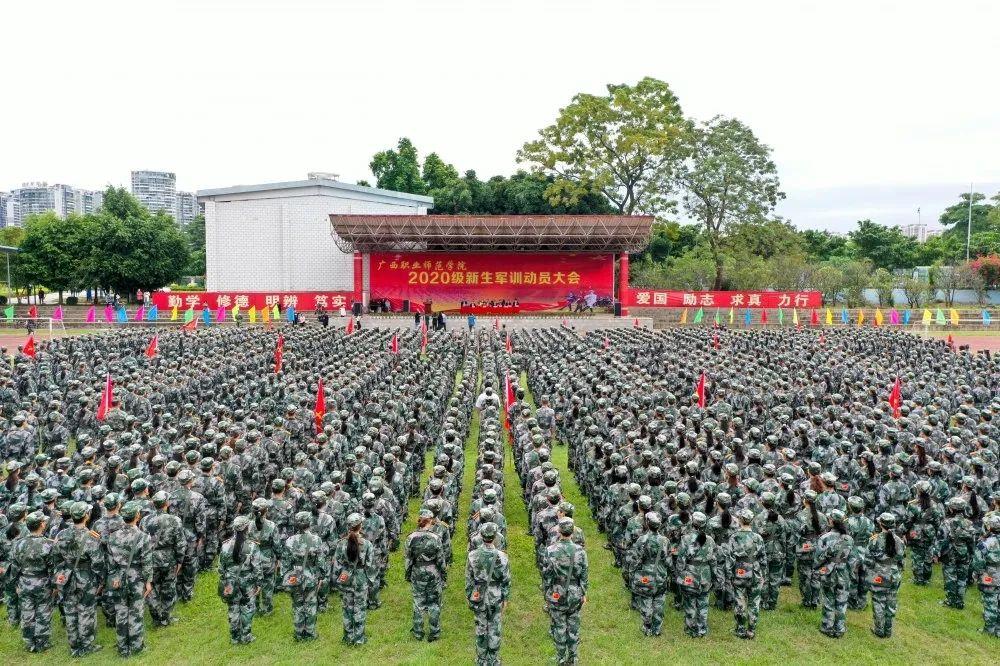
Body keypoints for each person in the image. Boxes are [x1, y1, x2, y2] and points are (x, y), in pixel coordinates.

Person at [52, 501, 104, 657]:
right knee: (86, 611)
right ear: (86, 516)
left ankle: (74, 646)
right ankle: (86, 645)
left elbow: (56, 557)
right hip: (86, 578)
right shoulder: (91, 537)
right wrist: (100, 582)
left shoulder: (61, 535)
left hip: (66, 578)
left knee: (70, 612)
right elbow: (98, 563)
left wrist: (60, 574)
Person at [104, 501, 152, 657]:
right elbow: (146, 561)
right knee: (136, 612)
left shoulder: (113, 536)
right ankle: (137, 647)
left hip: (118, 577)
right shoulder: (142, 537)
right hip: (136, 578)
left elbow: (110, 563)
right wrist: (148, 581)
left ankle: (122, 647)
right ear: (137, 516)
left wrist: (114, 578)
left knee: (121, 612)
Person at [542, 517, 589, 664]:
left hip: (557, 592)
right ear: (572, 531)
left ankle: (561, 658)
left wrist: (547, 592)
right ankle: (573, 658)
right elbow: (584, 574)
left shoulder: (550, 551)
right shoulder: (580, 551)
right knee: (574, 626)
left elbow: (547, 575)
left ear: (559, 531)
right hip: (575, 592)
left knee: (559, 626)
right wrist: (583, 592)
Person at [466, 521, 511, 666]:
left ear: (481, 535)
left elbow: (469, 578)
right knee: (495, 627)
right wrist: (505, 597)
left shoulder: (472, 555)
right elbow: (506, 580)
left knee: (480, 627)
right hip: (496, 593)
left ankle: (481, 659)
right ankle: (494, 659)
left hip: (478, 594)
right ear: (495, 537)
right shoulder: (502, 556)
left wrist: (469, 596)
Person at [9, 510, 54, 653]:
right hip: (43, 582)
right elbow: (52, 568)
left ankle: (29, 643)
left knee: (27, 612)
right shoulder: (48, 544)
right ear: (41, 525)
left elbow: (14, 567)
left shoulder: (18, 544)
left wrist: (15, 584)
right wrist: (54, 586)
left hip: (24, 582)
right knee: (43, 611)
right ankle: (42, 643)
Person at [217, 515, 264, 645]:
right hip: (247, 583)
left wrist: (225, 581)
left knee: (233, 609)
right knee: (247, 609)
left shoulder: (225, 546)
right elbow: (257, 567)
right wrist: (259, 583)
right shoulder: (252, 546)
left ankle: (234, 637)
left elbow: (221, 568)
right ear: (247, 528)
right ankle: (246, 636)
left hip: (230, 583)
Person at [142, 491, 185, 627]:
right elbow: (180, 543)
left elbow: (142, 541)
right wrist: (180, 560)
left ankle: (156, 616)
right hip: (168, 559)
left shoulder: (145, 520)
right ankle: (165, 617)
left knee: (152, 588)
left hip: (150, 558)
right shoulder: (174, 520)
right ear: (167, 503)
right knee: (168, 587)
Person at [332, 512, 376, 646]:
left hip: (346, 577)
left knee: (347, 608)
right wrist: (370, 580)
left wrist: (337, 580)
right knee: (360, 608)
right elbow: (370, 564)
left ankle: (348, 637)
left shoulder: (341, 544)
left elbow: (337, 564)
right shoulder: (367, 544)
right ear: (360, 526)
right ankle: (359, 638)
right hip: (361, 578)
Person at [283, 511, 328, 641]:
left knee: (297, 605)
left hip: (295, 576)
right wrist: (321, 577)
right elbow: (321, 561)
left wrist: (286, 578)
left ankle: (298, 633)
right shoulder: (316, 540)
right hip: (311, 576)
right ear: (309, 523)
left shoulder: (290, 541)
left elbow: (286, 562)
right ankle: (310, 633)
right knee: (311, 605)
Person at [404, 509, 447, 641]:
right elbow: (441, 560)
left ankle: (418, 632)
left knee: (418, 603)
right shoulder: (436, 538)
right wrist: (443, 575)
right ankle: (434, 633)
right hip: (433, 572)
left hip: (417, 571)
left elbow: (408, 559)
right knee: (434, 603)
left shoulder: (410, 538)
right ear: (431, 521)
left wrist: (408, 574)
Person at [626, 511, 670, 636]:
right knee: (659, 601)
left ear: (647, 523)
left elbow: (636, 559)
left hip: (646, 574)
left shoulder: (642, 540)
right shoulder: (665, 540)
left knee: (646, 600)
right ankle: (657, 628)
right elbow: (667, 559)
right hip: (661, 574)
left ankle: (647, 626)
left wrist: (632, 573)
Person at [727, 508, 765, 639]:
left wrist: (729, 574)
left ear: (739, 520)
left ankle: (741, 629)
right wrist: (762, 574)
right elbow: (763, 559)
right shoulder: (758, 538)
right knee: (754, 602)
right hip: (755, 572)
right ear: (752, 521)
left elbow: (730, 558)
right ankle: (751, 630)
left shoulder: (734, 537)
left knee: (740, 601)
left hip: (739, 572)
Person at [815, 510, 853, 638]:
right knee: (842, 601)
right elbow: (852, 559)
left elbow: (818, 558)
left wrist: (818, 569)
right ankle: (840, 628)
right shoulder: (849, 539)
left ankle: (827, 626)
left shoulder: (825, 538)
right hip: (844, 573)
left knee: (828, 600)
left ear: (831, 521)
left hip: (829, 572)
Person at [868, 513, 905, 638]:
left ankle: (879, 630)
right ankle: (888, 631)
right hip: (894, 574)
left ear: (880, 524)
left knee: (878, 601)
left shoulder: (874, 540)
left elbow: (868, 560)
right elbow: (901, 559)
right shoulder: (899, 541)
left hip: (879, 574)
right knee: (891, 601)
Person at [940, 497, 975, 609]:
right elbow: (972, 541)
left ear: (951, 509)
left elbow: (941, 540)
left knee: (950, 577)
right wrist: (971, 553)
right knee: (962, 578)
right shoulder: (969, 523)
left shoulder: (946, 523)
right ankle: (960, 602)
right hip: (964, 553)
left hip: (949, 553)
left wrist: (937, 553)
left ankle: (950, 601)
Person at [971, 514, 1000, 637]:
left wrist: (977, 574)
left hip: (989, 575)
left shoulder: (985, 543)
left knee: (990, 603)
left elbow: (978, 562)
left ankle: (989, 630)